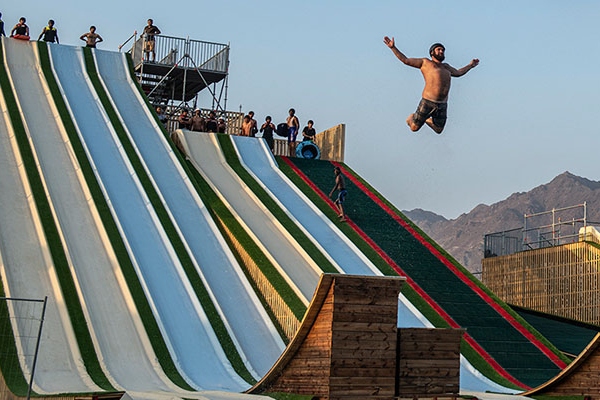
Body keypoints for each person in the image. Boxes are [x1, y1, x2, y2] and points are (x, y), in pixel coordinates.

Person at [383, 36, 479, 134]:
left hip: (442, 104)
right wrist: (393, 48)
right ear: (432, 52)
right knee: (414, 128)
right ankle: (412, 117)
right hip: (428, 101)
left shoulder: (446, 67)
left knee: (439, 130)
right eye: (439, 50)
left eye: (443, 50)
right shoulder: (425, 62)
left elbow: (458, 73)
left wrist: (470, 65)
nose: (441, 51)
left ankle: (426, 119)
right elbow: (406, 60)